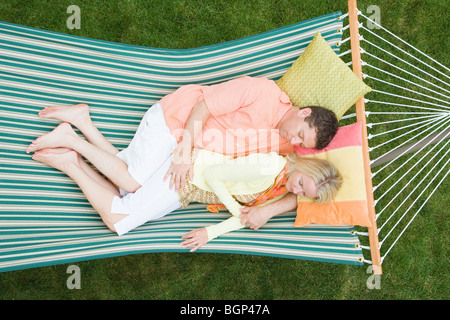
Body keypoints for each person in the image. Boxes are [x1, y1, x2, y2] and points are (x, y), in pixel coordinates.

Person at [26, 76, 339, 233]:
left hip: (195, 158)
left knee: (128, 185)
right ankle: (74, 145)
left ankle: (82, 123)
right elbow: (203, 106)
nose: (293, 139)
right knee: (131, 181)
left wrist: (268, 211)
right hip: (175, 122)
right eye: (300, 132)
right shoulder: (263, 91)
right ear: (304, 112)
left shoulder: (285, 149)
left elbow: (307, 182)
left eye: (301, 142)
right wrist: (183, 154)